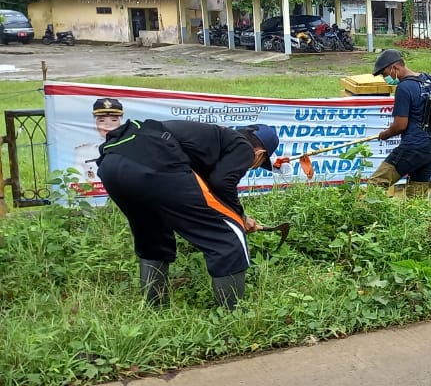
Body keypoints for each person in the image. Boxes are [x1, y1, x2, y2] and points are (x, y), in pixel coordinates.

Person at [96, 120, 279, 311]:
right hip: (154, 161)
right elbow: (221, 183)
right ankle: (234, 317)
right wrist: (239, 218)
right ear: (259, 154)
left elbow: (205, 190)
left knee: (154, 236)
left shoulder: (213, 139)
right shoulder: (244, 147)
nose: (252, 166)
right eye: (258, 164)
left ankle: (154, 310)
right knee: (228, 238)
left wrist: (239, 214)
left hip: (113, 164)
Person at [369, 49, 431, 198]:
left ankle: (366, 219)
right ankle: (417, 220)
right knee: (416, 197)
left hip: (413, 148)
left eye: (385, 74)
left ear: (394, 68)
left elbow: (400, 125)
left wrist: (385, 134)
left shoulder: (404, 88)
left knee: (376, 185)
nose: (385, 78)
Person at [73, 98, 125, 182]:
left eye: (114, 120)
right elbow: (75, 181)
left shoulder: (130, 148)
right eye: (102, 120)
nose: (108, 125)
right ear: (95, 123)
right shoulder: (82, 151)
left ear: (121, 122)